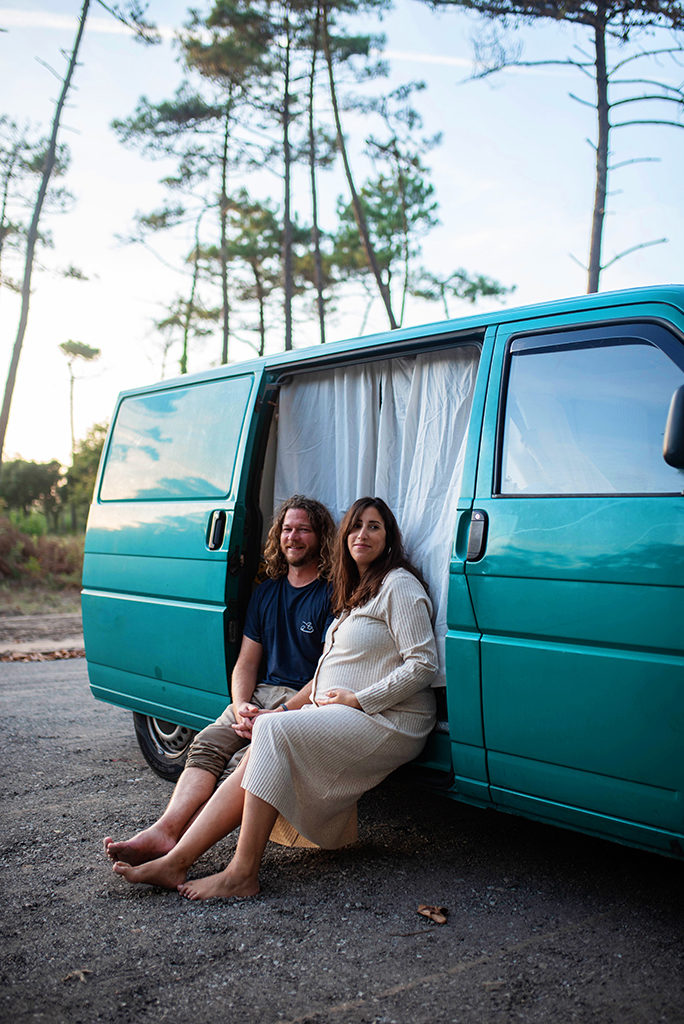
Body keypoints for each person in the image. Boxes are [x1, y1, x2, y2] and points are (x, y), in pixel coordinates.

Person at [110, 496, 437, 900]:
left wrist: (358, 700)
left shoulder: (398, 584)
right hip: (345, 711)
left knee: (272, 728)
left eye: (374, 526)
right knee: (258, 740)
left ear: (389, 539)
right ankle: (176, 857)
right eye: (355, 526)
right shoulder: (356, 592)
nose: (362, 534)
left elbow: (423, 665)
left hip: (392, 717)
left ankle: (241, 873)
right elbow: (316, 665)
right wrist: (289, 704)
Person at [103, 495, 335, 867]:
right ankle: (164, 830)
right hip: (260, 696)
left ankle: (179, 852)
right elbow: (246, 661)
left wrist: (280, 713)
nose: (293, 537)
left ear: (321, 537)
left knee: (245, 765)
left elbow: (327, 672)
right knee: (208, 741)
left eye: (304, 529)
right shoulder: (267, 592)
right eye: (288, 529)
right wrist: (242, 704)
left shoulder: (330, 593)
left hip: (302, 701)